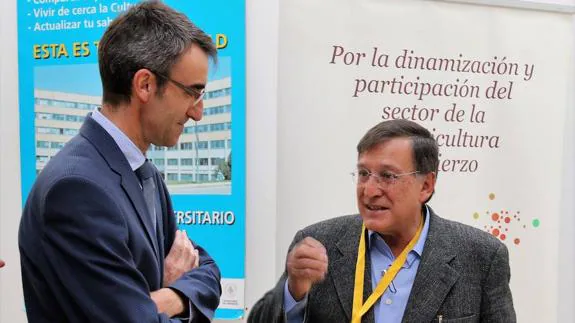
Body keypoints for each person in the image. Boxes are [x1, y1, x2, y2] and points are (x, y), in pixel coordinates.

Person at [18, 2, 221, 322]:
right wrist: (158, 300)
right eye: (192, 93)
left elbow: (208, 269)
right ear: (145, 85)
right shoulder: (75, 189)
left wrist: (169, 297)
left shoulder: (146, 174)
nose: (198, 112)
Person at [249, 119, 515, 323]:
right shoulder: (319, 243)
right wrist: (294, 291)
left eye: (388, 176)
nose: (369, 190)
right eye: (364, 173)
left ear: (426, 186)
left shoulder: (481, 257)